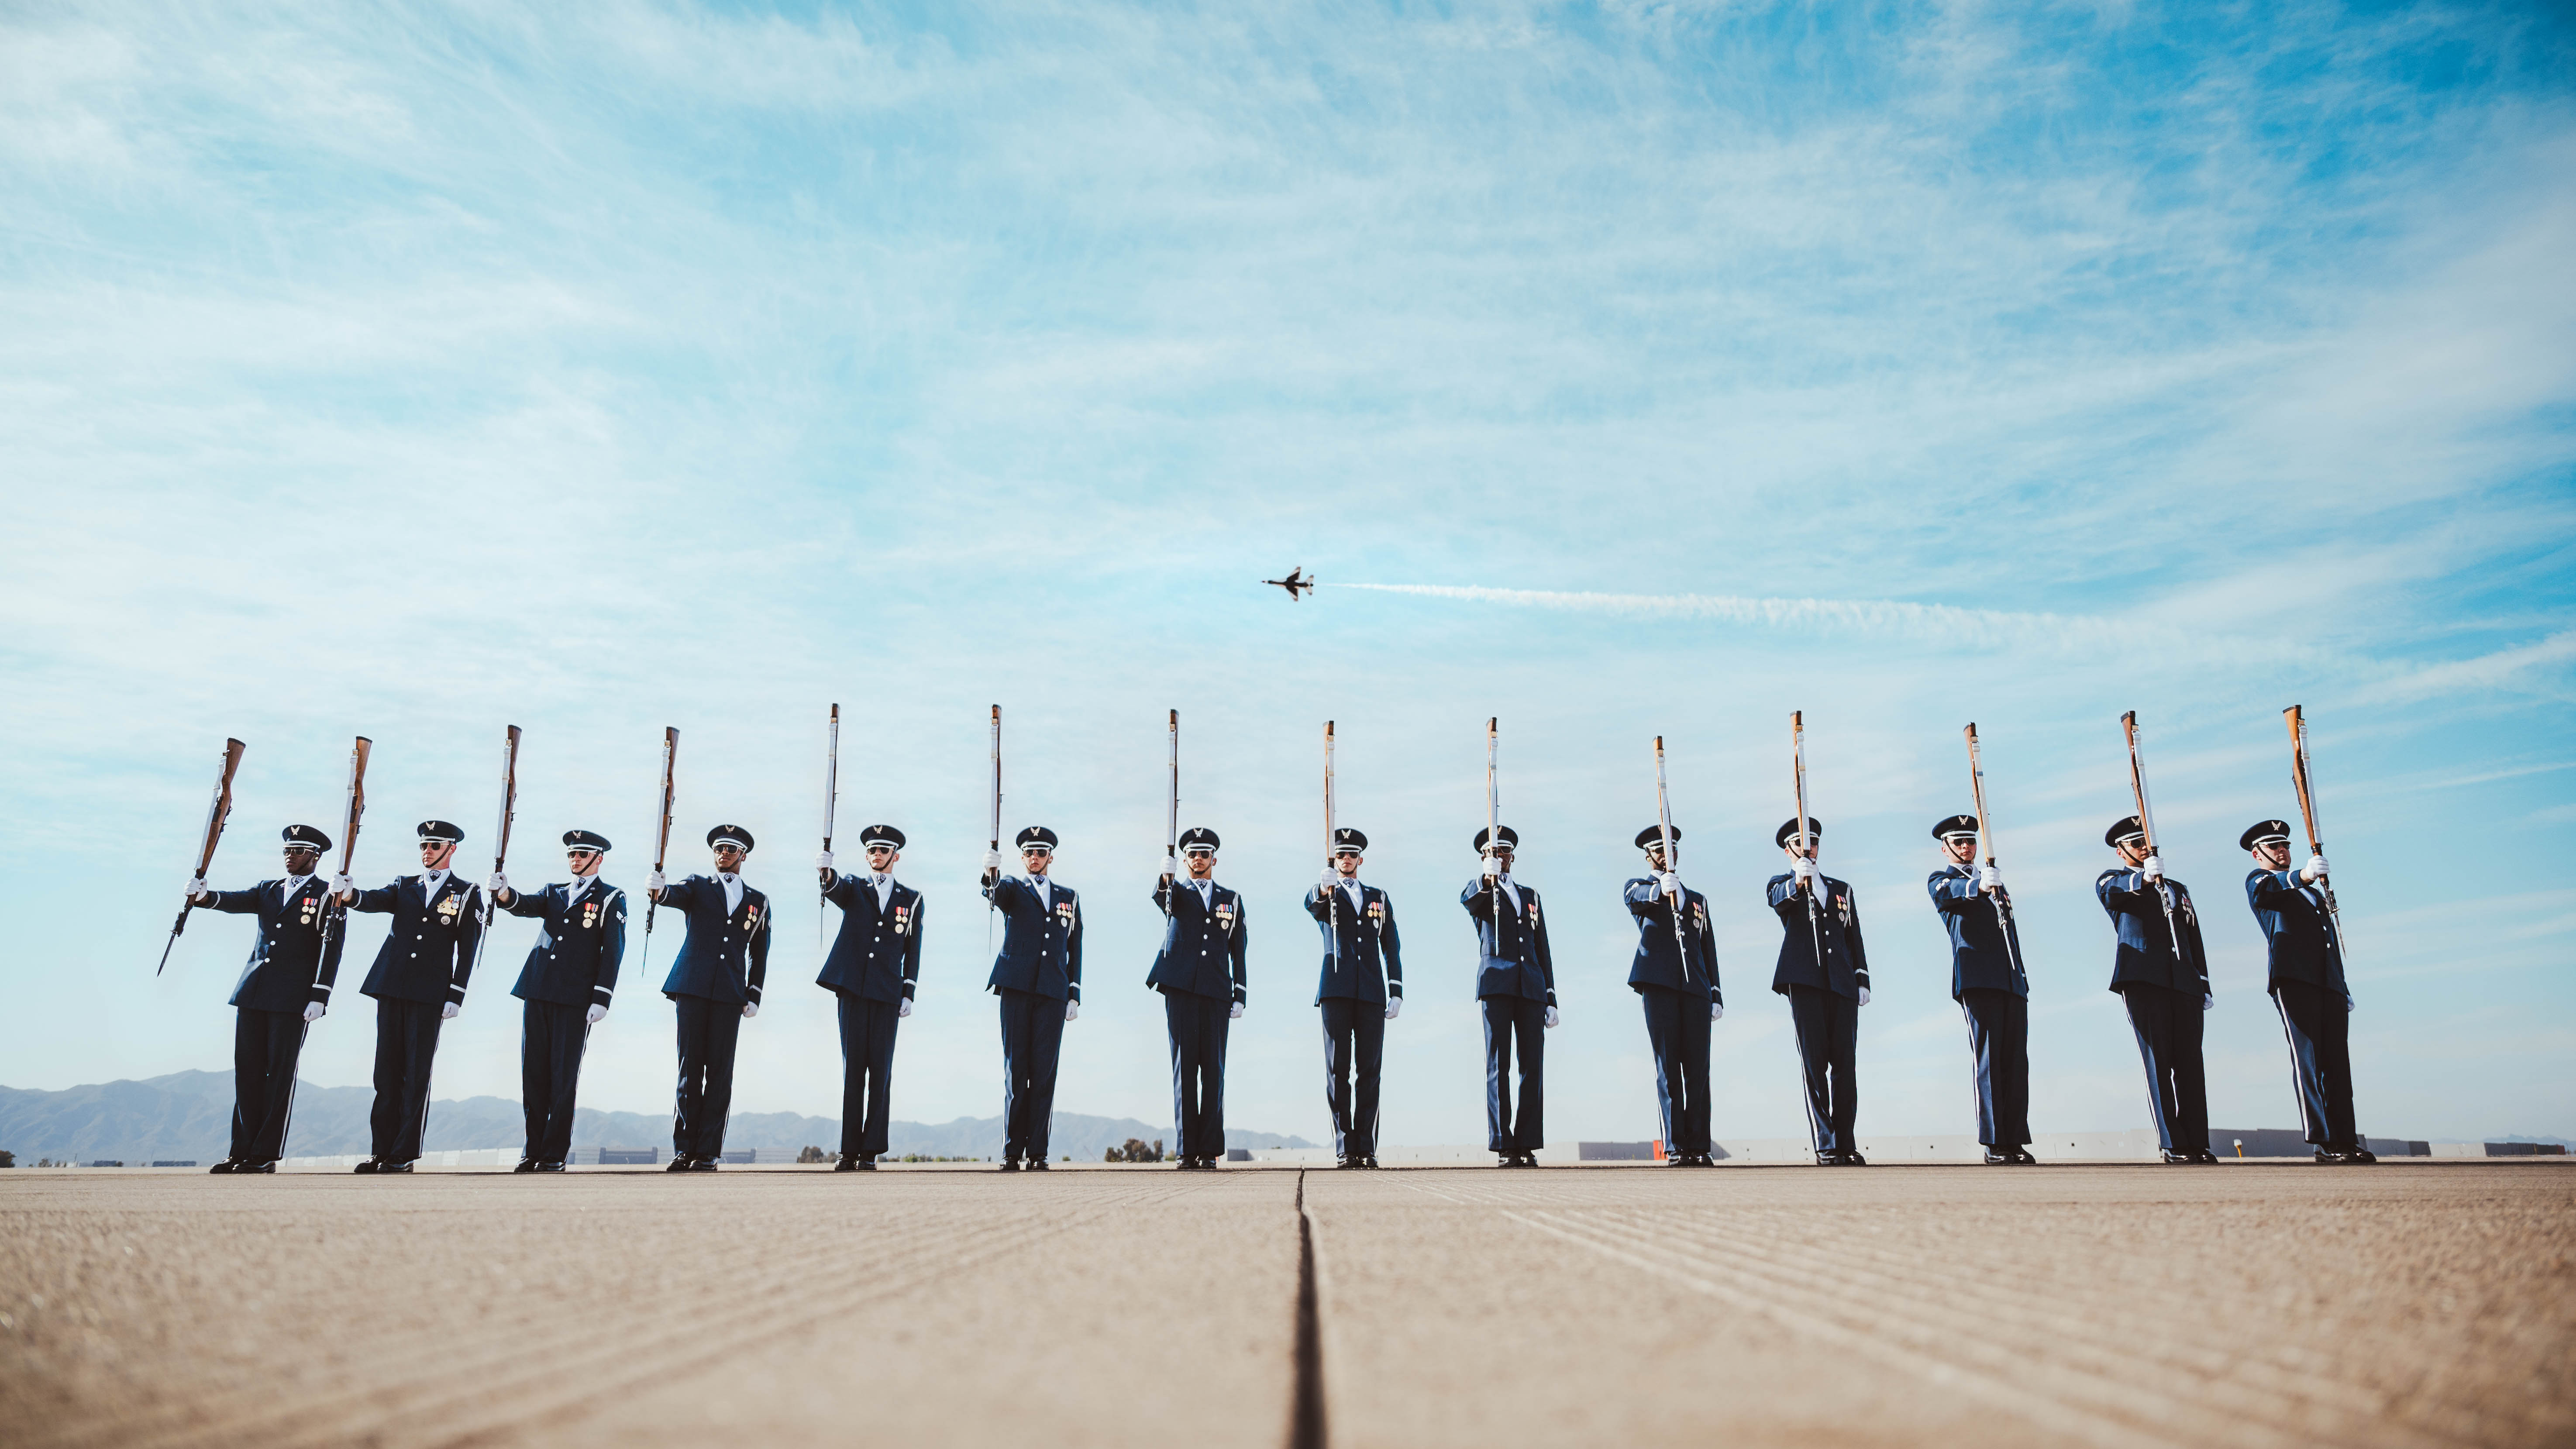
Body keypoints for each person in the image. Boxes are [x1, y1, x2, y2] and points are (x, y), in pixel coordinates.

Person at [186, 824, 345, 1174]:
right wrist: (204, 896)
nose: (290, 856)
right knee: (248, 1072)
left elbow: (331, 949)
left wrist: (322, 994)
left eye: (298, 851)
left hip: (293, 1000)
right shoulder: (267, 889)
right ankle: (240, 1150)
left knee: (279, 1076)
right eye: (287, 851)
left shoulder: (326, 895)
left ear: (315, 856)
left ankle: (264, 1154)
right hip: (254, 992)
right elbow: (233, 901)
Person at [342, 820, 484, 1174]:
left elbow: (468, 948)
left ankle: (403, 1153)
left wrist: (457, 993)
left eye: (435, 846)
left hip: (429, 993)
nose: (427, 852)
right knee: (386, 1074)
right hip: (391, 986)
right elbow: (373, 900)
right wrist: (349, 894)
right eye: (424, 846)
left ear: (451, 849)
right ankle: (381, 1149)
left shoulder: (466, 893)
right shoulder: (403, 885)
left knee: (416, 1074)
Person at [490, 830, 624, 1172]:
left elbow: (613, 951)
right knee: (533, 1074)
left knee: (562, 1077)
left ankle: (553, 1154)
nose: (575, 860)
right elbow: (525, 906)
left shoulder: (611, 898)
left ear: (599, 858)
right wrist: (504, 892)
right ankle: (532, 1149)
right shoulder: (554, 892)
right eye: (571, 855)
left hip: (575, 999)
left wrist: (602, 997)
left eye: (582, 854)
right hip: (537, 989)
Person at [2241, 820, 2372, 1163]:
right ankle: (2324, 1141)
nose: (2282, 850)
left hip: (2327, 982)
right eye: (2274, 846)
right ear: (2258, 854)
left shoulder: (2313, 893)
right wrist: (2302, 875)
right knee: (2309, 1061)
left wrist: (2342, 986)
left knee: (2338, 1064)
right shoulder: (2259, 881)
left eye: (2285, 845)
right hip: (2294, 980)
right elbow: (2268, 890)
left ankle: (2346, 1136)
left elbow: (2329, 942)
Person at [646, 825, 771, 1171]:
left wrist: (754, 993)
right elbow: (673, 896)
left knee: (720, 1073)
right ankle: (684, 1148)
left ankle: (708, 1151)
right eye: (719, 849)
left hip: (730, 993)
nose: (724, 854)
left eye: (732, 849)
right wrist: (658, 890)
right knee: (690, 1069)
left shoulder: (758, 901)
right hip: (693, 988)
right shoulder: (698, 885)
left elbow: (759, 953)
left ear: (743, 855)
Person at [2097, 818, 2216, 1164]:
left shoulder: (2177, 887)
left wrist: (2203, 981)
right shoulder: (2114, 879)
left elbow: (2194, 935)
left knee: (2191, 1066)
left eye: (2147, 842)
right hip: (2144, 980)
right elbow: (2112, 894)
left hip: (2185, 982)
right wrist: (2146, 878)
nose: (2144, 848)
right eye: (2136, 844)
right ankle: (2172, 1142)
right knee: (2158, 1063)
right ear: (2122, 850)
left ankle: (2197, 1141)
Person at [1925, 815, 2035, 1165]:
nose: (1967, 847)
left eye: (1971, 841)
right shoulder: (1944, 880)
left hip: (2010, 979)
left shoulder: (1995, 883)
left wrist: (2020, 975)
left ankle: (2015, 1138)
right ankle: (1995, 1142)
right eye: (1959, 842)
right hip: (1978, 978)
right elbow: (1947, 896)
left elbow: (2009, 933)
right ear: (1945, 848)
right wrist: (1979, 888)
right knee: (1989, 1060)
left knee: (2016, 1062)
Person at [816, 825, 923, 1171]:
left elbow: (913, 950)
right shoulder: (853, 887)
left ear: (896, 855)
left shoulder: (912, 899)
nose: (877, 854)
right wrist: (826, 872)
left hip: (888, 992)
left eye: (883, 849)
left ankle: (870, 1150)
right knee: (853, 1072)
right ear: (866, 856)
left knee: (881, 1071)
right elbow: (833, 889)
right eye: (872, 850)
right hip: (852, 989)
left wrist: (909, 991)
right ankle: (849, 1150)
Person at [1767, 817, 1871, 1166]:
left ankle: (1846, 1142)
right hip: (1805, 983)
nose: (1808, 847)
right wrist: (1799, 879)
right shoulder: (1784, 884)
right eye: (1801, 842)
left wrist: (1862, 979)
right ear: (1789, 850)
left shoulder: (1842, 889)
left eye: (1813, 841)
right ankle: (1826, 1144)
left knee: (1845, 1066)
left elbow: (1853, 937)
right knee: (1814, 1065)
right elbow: (1778, 900)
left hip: (1841, 984)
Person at [982, 826, 1082, 1171]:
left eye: (1041, 853)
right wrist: (990, 872)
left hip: (1053, 993)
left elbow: (1075, 947)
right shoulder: (1012, 886)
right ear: (1022, 858)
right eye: (1029, 853)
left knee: (1044, 1074)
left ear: (1050, 857)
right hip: (1015, 989)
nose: (1035, 858)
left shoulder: (1069, 896)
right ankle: (1012, 1151)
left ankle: (1038, 1152)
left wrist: (1075, 993)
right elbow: (994, 894)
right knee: (1017, 1070)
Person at [1148, 827, 1247, 1170]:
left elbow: (1239, 950)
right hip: (1180, 990)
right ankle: (1186, 1149)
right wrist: (1165, 876)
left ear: (1214, 859)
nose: (1198, 859)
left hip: (1217, 991)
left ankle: (1210, 1150)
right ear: (1186, 859)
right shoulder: (1176, 891)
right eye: (1192, 854)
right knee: (1184, 1070)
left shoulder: (1230, 899)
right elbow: (1163, 899)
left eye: (1204, 854)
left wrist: (1241, 993)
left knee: (1214, 1072)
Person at [1624, 826, 1721, 1167]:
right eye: (1660, 850)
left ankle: (1699, 1143)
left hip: (1696, 987)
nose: (1667, 855)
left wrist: (1716, 991)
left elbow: (1707, 947)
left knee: (1698, 1069)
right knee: (1668, 1066)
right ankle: (1676, 1144)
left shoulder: (1697, 900)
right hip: (1659, 985)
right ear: (1649, 855)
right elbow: (1634, 898)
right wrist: (1657, 891)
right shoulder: (1639, 887)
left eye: (1672, 849)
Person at [1460, 826, 1556, 1167]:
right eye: (1492, 852)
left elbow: (1541, 946)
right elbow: (1469, 900)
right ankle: (1503, 1143)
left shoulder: (1530, 895)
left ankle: (1527, 1142)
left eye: (1504, 851)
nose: (1499, 856)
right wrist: (1485, 881)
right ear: (1484, 858)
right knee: (1498, 1065)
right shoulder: (1483, 892)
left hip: (1530, 986)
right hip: (1497, 984)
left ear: (1512, 856)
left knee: (1532, 1066)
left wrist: (1551, 995)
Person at [1305, 827, 1401, 1169]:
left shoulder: (1379, 897)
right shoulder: (1327, 893)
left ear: (1361, 859)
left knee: (1370, 1071)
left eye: (1352, 854)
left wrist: (1397, 989)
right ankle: (1346, 1146)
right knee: (1338, 1069)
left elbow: (1391, 944)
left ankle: (1367, 1146)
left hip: (1372, 992)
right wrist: (1323, 887)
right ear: (1335, 859)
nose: (1347, 859)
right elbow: (1311, 906)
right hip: (1336, 989)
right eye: (1341, 854)